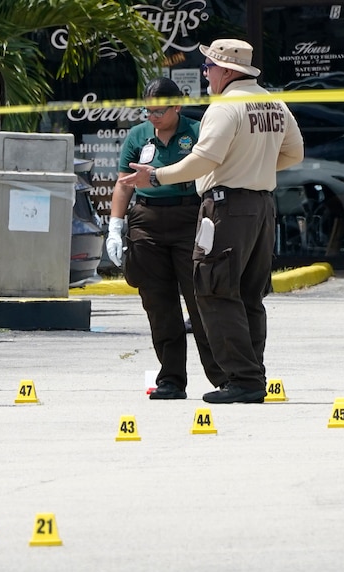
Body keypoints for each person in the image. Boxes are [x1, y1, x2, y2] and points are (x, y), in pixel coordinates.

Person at [119, 39, 304, 404]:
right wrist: (254, 168)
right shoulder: (272, 102)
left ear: (227, 70)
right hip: (261, 207)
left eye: (209, 66)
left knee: (216, 291)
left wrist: (156, 177)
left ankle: (242, 379)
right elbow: (294, 153)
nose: (205, 73)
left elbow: (202, 160)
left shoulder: (225, 107)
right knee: (249, 294)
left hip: (227, 207)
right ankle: (253, 375)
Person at [106, 77, 223, 400]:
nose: (153, 117)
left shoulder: (197, 131)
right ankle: (171, 379)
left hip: (189, 216)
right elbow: (123, 184)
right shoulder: (138, 135)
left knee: (200, 299)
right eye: (149, 111)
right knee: (159, 304)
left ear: (177, 106)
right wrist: (115, 226)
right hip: (147, 219)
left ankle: (222, 376)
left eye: (160, 111)